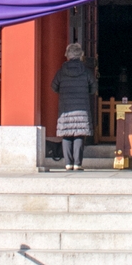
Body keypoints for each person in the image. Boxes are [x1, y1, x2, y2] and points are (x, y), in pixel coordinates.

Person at [51, 43, 97, 172]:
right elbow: (93, 88)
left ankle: (68, 164)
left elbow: (53, 86)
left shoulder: (61, 72)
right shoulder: (86, 71)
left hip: (66, 108)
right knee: (79, 135)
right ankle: (77, 164)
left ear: (67, 55)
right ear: (81, 55)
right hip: (82, 107)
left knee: (66, 134)